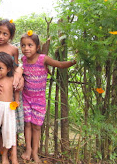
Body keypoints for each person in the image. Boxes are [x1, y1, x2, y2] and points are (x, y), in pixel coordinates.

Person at [20, 31, 76, 163]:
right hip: (26, 98)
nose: (26, 48)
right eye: (23, 45)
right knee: (27, 125)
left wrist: (74, 61)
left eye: (30, 45)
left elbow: (60, 64)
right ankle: (28, 149)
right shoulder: (23, 60)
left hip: (39, 101)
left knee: (37, 127)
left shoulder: (43, 59)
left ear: (37, 47)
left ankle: (35, 152)